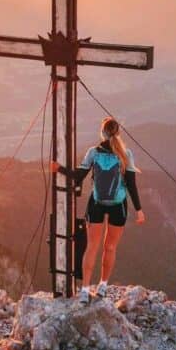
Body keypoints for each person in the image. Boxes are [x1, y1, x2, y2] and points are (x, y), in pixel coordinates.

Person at [51, 116, 146, 302]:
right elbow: (131, 185)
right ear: (118, 133)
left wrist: (59, 168)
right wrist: (139, 210)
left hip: (96, 204)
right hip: (118, 206)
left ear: (102, 133)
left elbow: (79, 175)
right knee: (109, 247)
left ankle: (85, 290)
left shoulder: (93, 153)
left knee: (91, 247)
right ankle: (103, 286)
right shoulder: (126, 154)